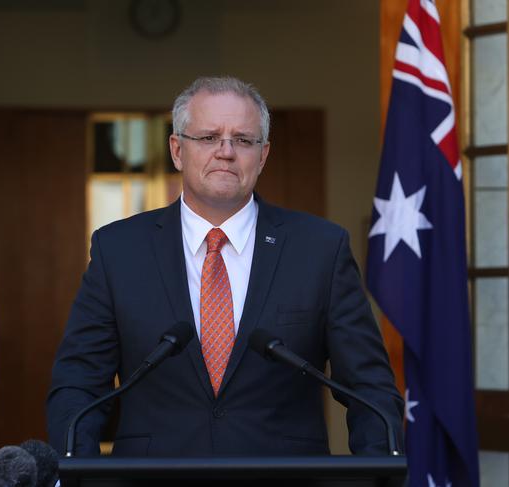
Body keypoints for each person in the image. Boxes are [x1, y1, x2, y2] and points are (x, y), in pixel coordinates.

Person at [47, 76, 404, 457]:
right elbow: (79, 385)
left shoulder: (319, 249)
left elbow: (369, 388)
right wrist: (78, 476)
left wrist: (376, 475)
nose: (226, 151)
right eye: (208, 137)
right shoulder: (118, 250)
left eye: (243, 140)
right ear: (177, 150)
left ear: (263, 155)